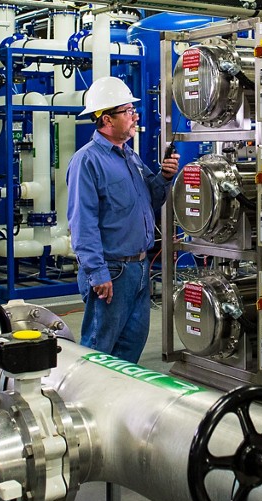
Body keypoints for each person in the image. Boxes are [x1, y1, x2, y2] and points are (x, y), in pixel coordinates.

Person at [67, 77, 180, 363]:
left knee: (130, 348)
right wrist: (97, 272)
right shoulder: (87, 161)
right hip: (112, 270)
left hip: (138, 268)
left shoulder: (130, 156)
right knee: (99, 351)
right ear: (107, 119)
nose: (135, 116)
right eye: (128, 111)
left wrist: (165, 177)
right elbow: (82, 222)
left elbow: (150, 200)